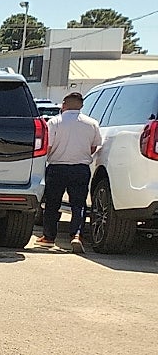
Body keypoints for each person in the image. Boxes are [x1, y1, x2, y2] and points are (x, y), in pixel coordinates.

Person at [33, 91, 104, 252]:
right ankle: (77, 235)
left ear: (64, 104)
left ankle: (49, 237)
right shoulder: (92, 123)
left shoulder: (55, 122)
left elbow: (48, 146)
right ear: (81, 106)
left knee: (52, 203)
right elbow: (94, 146)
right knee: (78, 204)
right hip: (81, 168)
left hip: (57, 167)